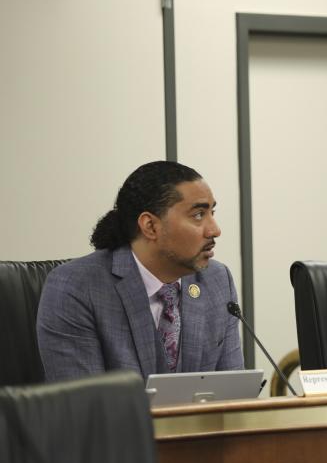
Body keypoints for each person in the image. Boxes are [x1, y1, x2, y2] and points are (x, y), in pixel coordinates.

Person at [37, 161, 243, 381]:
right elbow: (86, 407)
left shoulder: (217, 281)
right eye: (199, 215)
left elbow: (234, 394)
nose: (215, 229)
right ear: (150, 226)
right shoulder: (75, 288)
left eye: (212, 212)